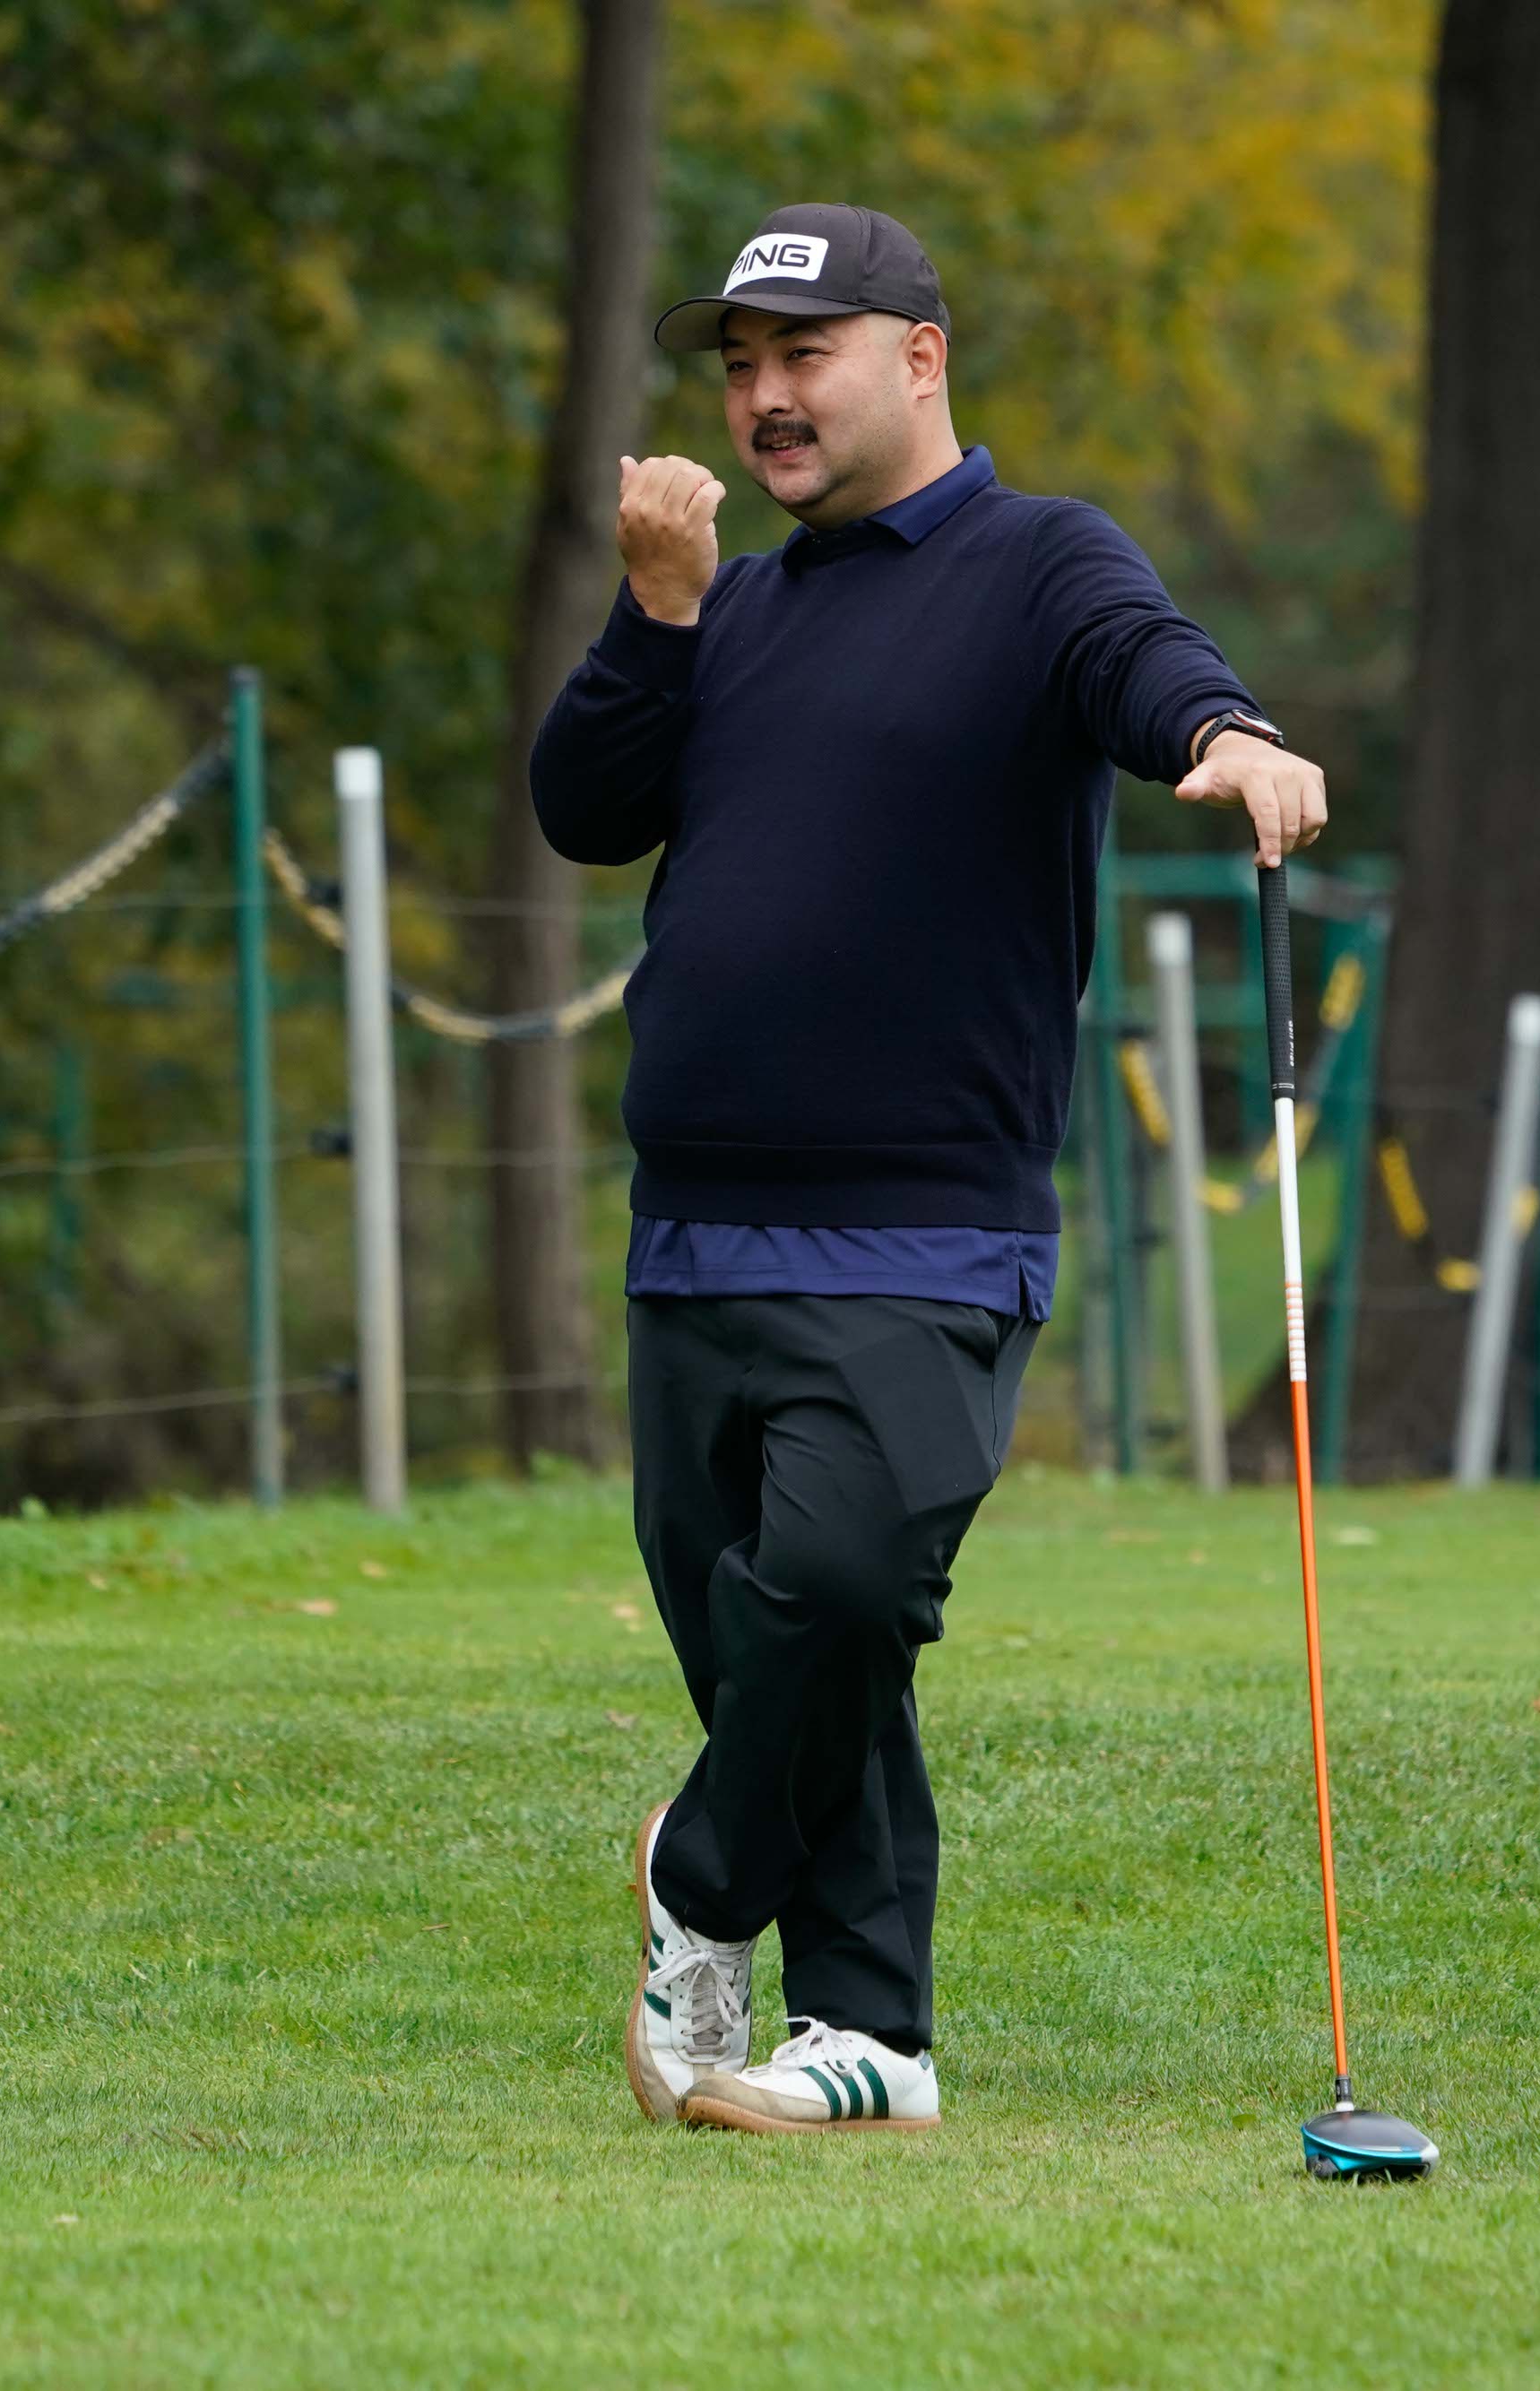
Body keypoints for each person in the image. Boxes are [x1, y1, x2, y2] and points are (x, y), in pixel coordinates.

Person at [530, 202, 1326, 2135]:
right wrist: (654, 612)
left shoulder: (1037, 560)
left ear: (919, 357)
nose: (763, 398)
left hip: (923, 1226)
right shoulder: (733, 609)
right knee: (802, 1651)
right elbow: (580, 807)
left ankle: (700, 1874)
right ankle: (870, 2034)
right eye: (738, 367)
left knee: (840, 1578)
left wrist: (1227, 732)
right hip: (692, 1227)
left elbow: (1141, 658)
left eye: (802, 355)